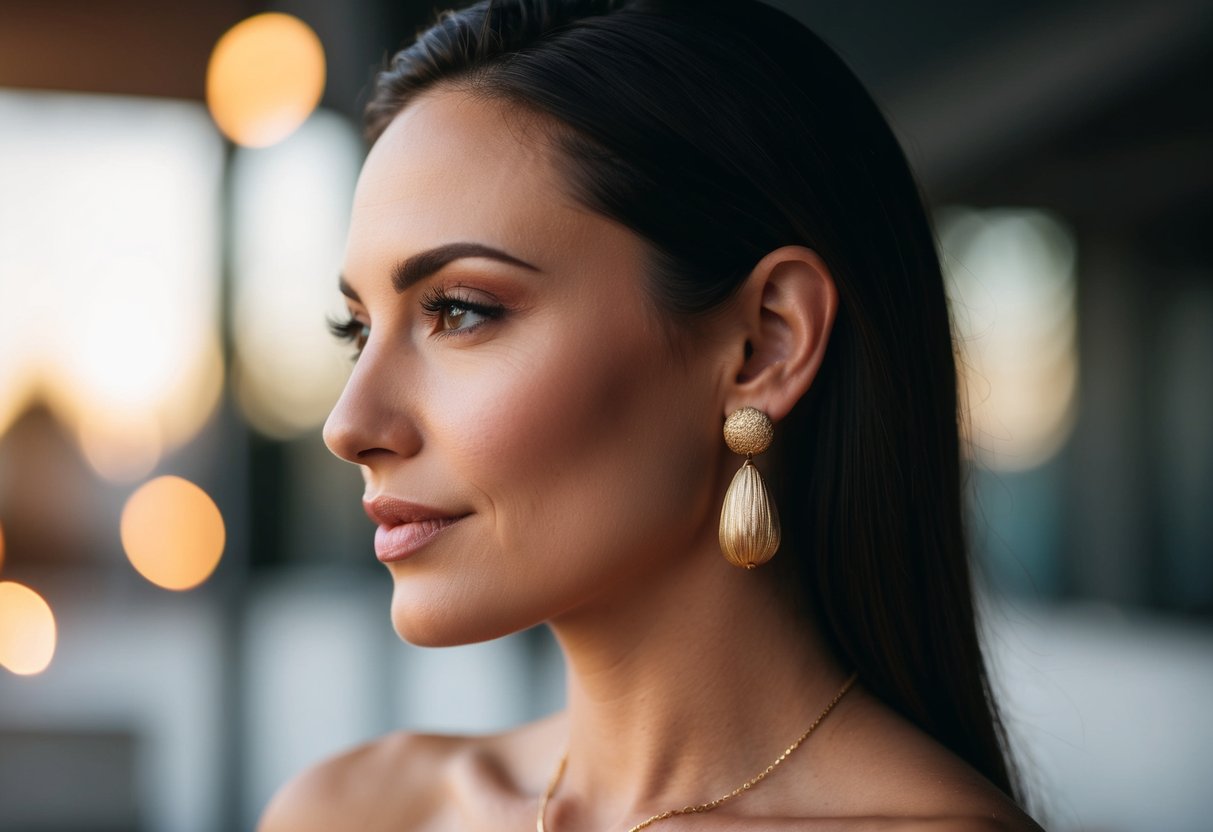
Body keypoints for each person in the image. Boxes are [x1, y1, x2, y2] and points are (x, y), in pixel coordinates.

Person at [260, 0, 1045, 829]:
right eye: (358, 329)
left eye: (459, 310)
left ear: (763, 345)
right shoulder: (350, 811)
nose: (348, 426)